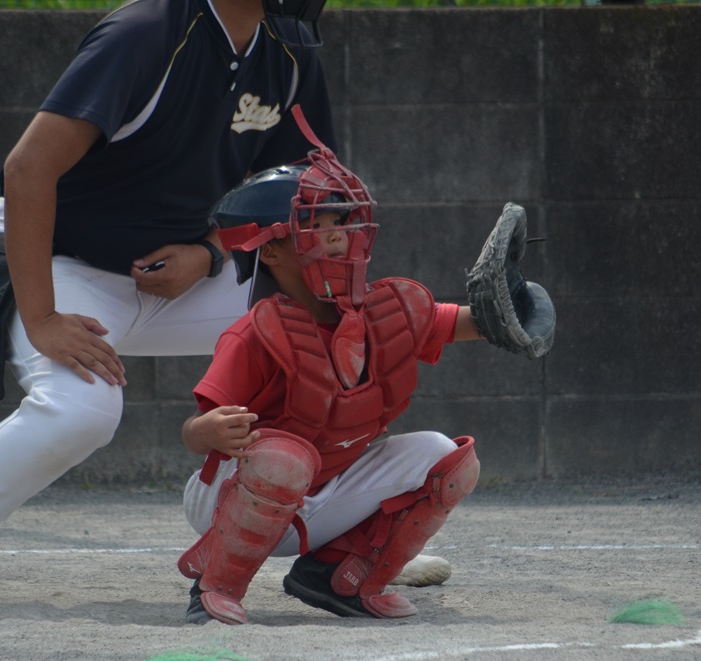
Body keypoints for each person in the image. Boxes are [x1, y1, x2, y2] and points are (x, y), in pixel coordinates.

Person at [0, 0, 348, 609]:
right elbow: (25, 169)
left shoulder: (286, 49)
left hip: (178, 269)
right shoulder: (145, 33)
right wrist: (43, 317)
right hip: (65, 263)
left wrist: (207, 253)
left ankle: (339, 543)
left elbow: (297, 200)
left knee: (328, 313)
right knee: (84, 411)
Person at [176, 107, 555, 624]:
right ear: (272, 250)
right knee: (285, 457)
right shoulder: (255, 333)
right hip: (233, 497)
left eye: (341, 222)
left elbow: (471, 321)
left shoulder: (385, 311)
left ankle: (336, 577)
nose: (337, 235)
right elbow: (193, 435)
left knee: (448, 459)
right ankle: (216, 586)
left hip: (318, 498)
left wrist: (506, 304)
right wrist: (209, 429)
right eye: (317, 225)